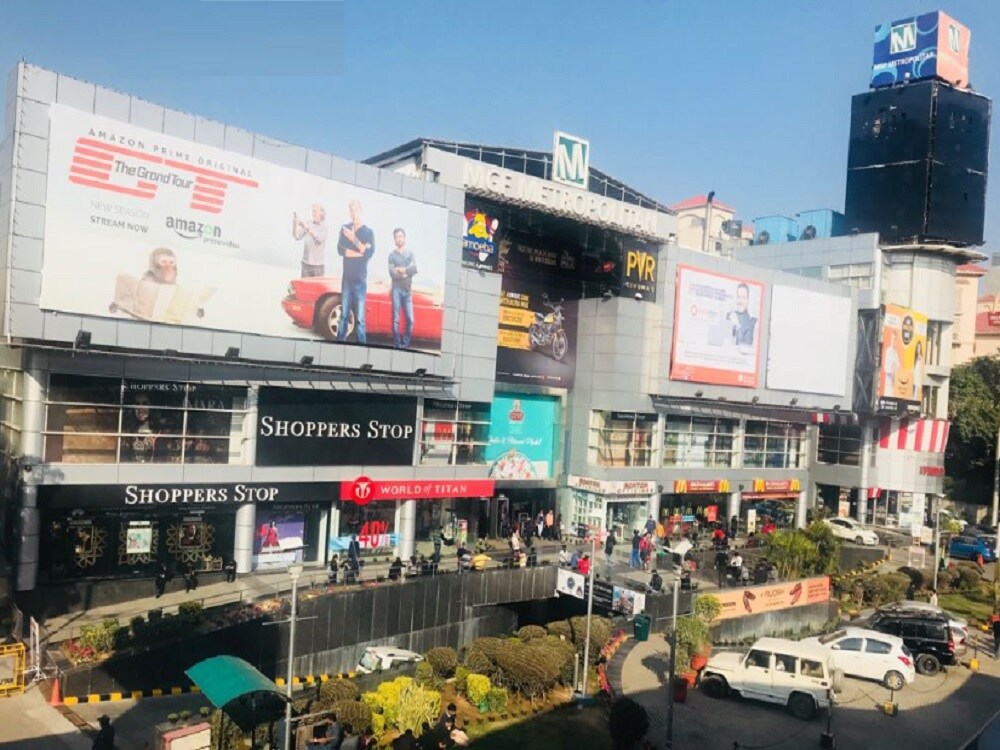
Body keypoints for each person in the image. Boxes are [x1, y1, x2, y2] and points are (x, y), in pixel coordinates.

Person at [336, 200, 376, 343]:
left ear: (361, 212)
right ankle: (339, 344)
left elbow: (368, 253)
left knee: (360, 319)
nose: (353, 213)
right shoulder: (344, 228)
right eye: (351, 210)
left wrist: (353, 239)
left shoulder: (368, 232)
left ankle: (361, 347)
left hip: (360, 281)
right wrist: (359, 251)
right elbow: (340, 250)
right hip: (346, 279)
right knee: (344, 315)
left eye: (356, 210)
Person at [387, 227, 417, 348]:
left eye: (400, 236)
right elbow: (392, 273)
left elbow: (414, 269)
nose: (399, 239)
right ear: (394, 240)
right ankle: (397, 344)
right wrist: (406, 273)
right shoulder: (391, 255)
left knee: (410, 319)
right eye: (396, 237)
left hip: (407, 291)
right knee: (396, 319)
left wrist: (403, 270)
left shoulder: (410, 253)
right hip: (396, 290)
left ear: (404, 238)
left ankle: (405, 344)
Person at [292, 203, 329, 277]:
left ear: (321, 213)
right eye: (312, 211)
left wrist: (306, 227)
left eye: (315, 211)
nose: (313, 214)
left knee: (317, 285)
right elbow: (297, 236)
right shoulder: (308, 223)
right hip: (306, 265)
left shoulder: (324, 226)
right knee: (304, 284)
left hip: (317, 267)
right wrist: (294, 224)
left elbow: (319, 239)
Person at [727, 281, 757, 348]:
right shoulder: (729, 315)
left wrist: (737, 325)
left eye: (743, 297)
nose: (740, 301)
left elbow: (746, 348)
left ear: (748, 300)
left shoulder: (751, 322)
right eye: (738, 297)